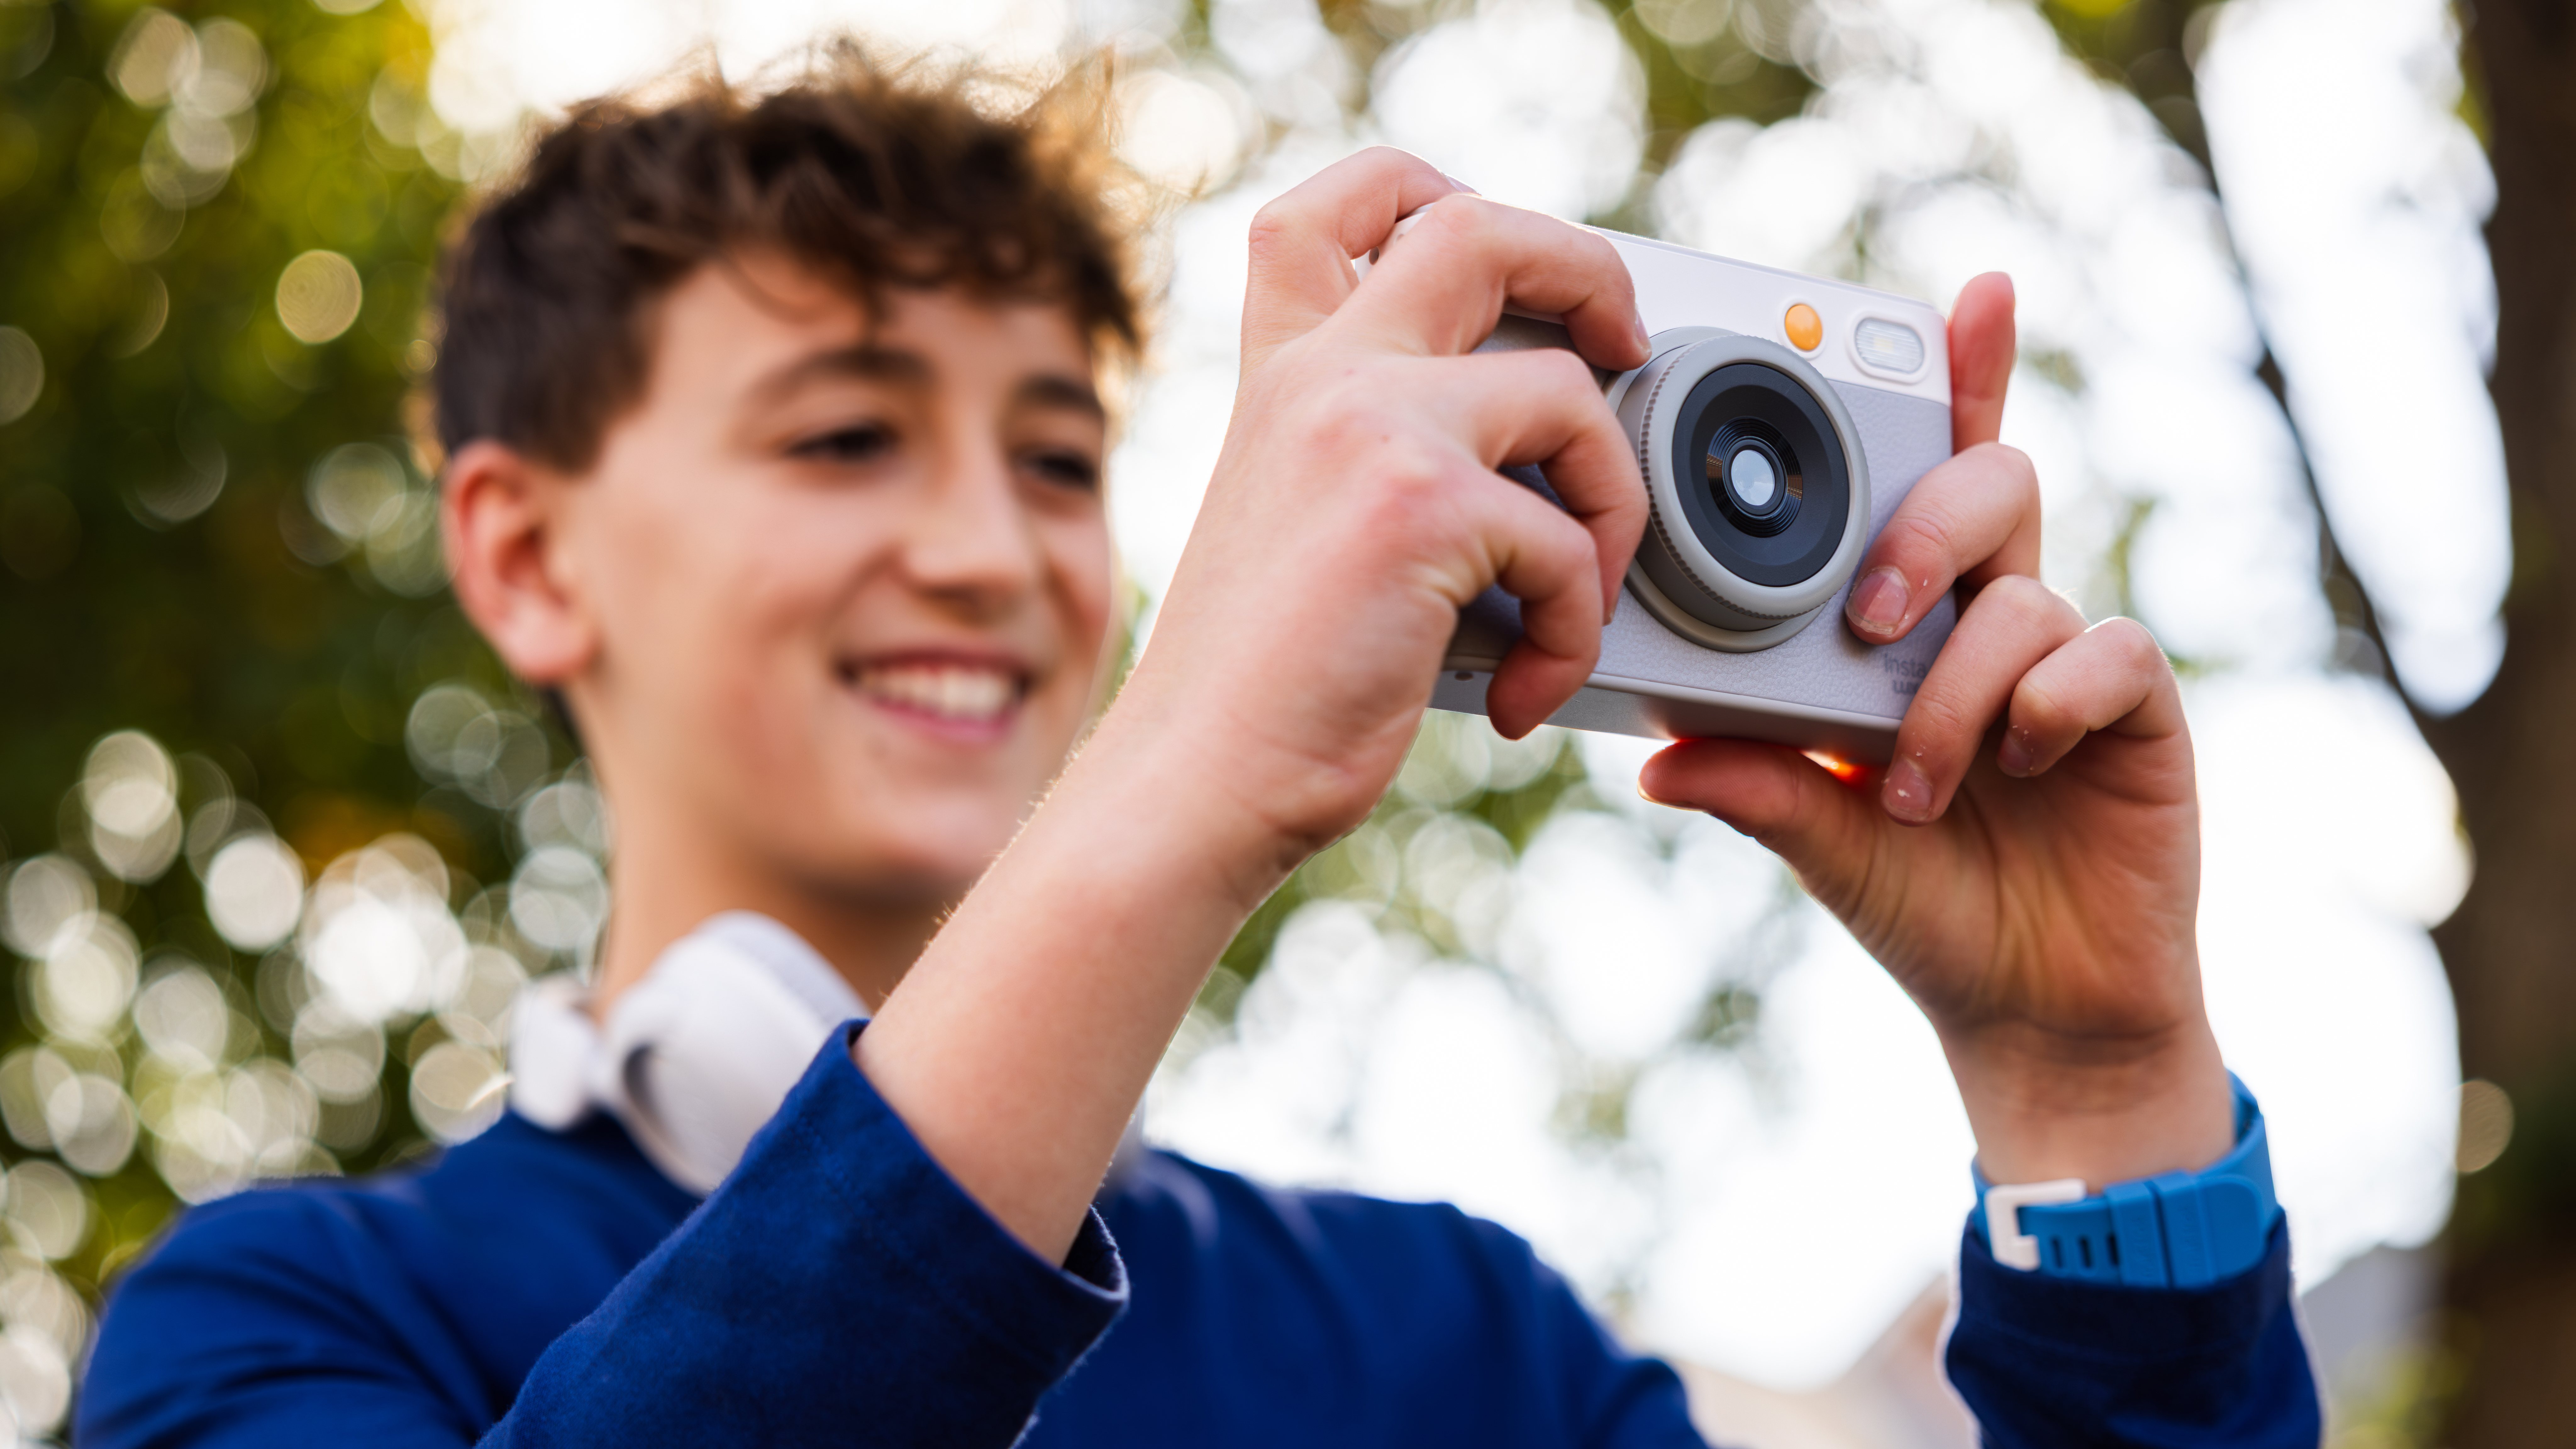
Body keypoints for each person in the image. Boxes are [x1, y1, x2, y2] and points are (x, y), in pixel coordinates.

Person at [80, 48, 2318, 1448]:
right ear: (529, 553)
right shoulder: (292, 1319)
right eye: (849, 436)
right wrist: (1175, 783)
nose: (989, 548)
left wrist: (2099, 1109)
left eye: (1061, 462)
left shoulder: (1452, 1347)